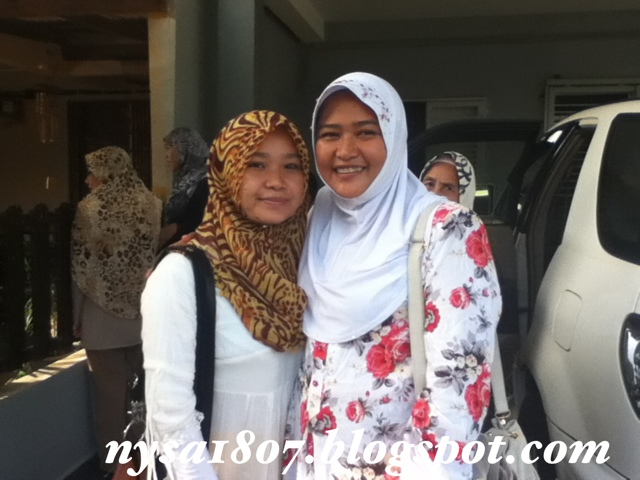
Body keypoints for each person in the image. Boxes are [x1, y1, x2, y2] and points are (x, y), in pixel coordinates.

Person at [292, 72, 502, 479]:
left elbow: (459, 388)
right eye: (330, 134)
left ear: (394, 136)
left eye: (366, 132)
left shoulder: (447, 229)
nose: (345, 151)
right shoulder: (319, 216)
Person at [141, 110, 311, 479]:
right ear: (225, 172)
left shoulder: (305, 267)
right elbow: (171, 417)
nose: (276, 181)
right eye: (256, 164)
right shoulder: (180, 276)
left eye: (292, 166)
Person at [71, 146, 162, 475]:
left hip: (101, 318)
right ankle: (143, 459)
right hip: (144, 314)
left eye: (93, 172)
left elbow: (80, 268)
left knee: (110, 398)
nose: (88, 179)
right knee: (141, 395)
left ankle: (114, 467)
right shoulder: (151, 204)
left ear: (107, 172)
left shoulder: (89, 209)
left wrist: (76, 318)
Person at [158, 127, 210, 249]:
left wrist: (178, 228)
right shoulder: (184, 180)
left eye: (169, 147)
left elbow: (207, 222)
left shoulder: (206, 182)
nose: (166, 155)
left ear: (184, 149)